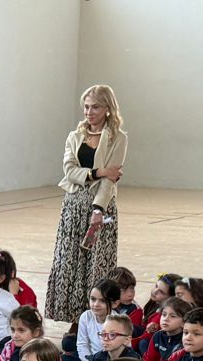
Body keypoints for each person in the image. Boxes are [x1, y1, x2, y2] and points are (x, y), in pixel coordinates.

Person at [45, 84, 128, 323]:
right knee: (68, 261)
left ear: (108, 109)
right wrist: (98, 171)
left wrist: (98, 209)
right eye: (86, 106)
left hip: (99, 207)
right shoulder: (75, 136)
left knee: (95, 263)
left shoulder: (118, 138)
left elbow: (110, 181)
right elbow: (69, 171)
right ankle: (72, 319)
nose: (89, 112)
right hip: (72, 206)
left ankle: (93, 318)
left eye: (96, 107)